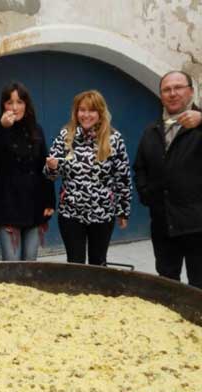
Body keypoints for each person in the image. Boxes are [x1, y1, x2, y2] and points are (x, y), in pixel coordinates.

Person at [44, 90, 131, 266]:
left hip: (102, 213)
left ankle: (96, 293)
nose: (86, 115)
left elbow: (123, 177)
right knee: (75, 263)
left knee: (98, 263)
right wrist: (51, 166)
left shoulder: (114, 139)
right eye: (81, 110)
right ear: (76, 112)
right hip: (71, 213)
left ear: (100, 112)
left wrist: (123, 210)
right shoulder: (65, 136)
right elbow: (50, 175)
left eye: (91, 110)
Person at [134, 71, 202, 289]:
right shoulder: (152, 131)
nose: (173, 93)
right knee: (166, 284)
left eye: (178, 87)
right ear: (161, 95)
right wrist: (147, 195)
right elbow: (140, 167)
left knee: (199, 286)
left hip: (197, 225)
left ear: (191, 91)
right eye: (166, 89)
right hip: (163, 224)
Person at [0, 81, 55, 261]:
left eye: (19, 102)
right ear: (3, 105)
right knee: (11, 262)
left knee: (30, 260)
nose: (14, 107)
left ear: (26, 105)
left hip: (34, 203)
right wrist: (1, 129)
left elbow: (44, 168)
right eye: (9, 102)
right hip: (7, 203)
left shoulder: (37, 129)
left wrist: (49, 201)